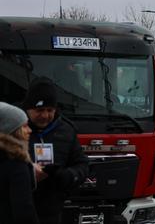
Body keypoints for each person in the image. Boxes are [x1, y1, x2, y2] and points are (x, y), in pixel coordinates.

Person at [23, 77, 89, 224]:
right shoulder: (12, 128)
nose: (45, 115)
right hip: (15, 209)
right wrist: (26, 173)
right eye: (39, 110)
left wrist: (66, 176)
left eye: (50, 110)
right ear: (28, 108)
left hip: (52, 210)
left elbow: (82, 165)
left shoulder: (66, 131)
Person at [0, 101, 40, 224]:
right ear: (12, 130)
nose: (29, 130)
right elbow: (24, 211)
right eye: (24, 126)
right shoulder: (17, 164)